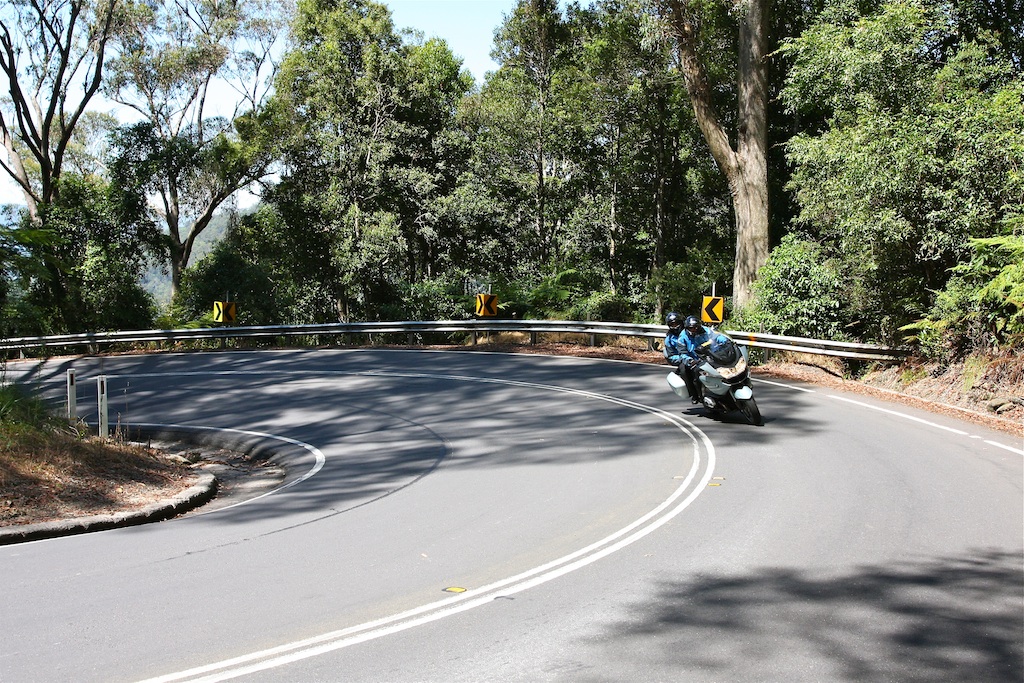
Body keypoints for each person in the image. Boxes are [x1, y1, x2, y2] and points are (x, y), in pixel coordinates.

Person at [663, 312, 728, 404]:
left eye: (676, 323)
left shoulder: (702, 330)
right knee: (685, 370)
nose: (675, 326)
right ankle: (695, 394)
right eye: (672, 324)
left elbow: (715, 336)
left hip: (705, 354)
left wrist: (726, 342)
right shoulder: (673, 339)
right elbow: (673, 355)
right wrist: (686, 359)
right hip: (688, 359)